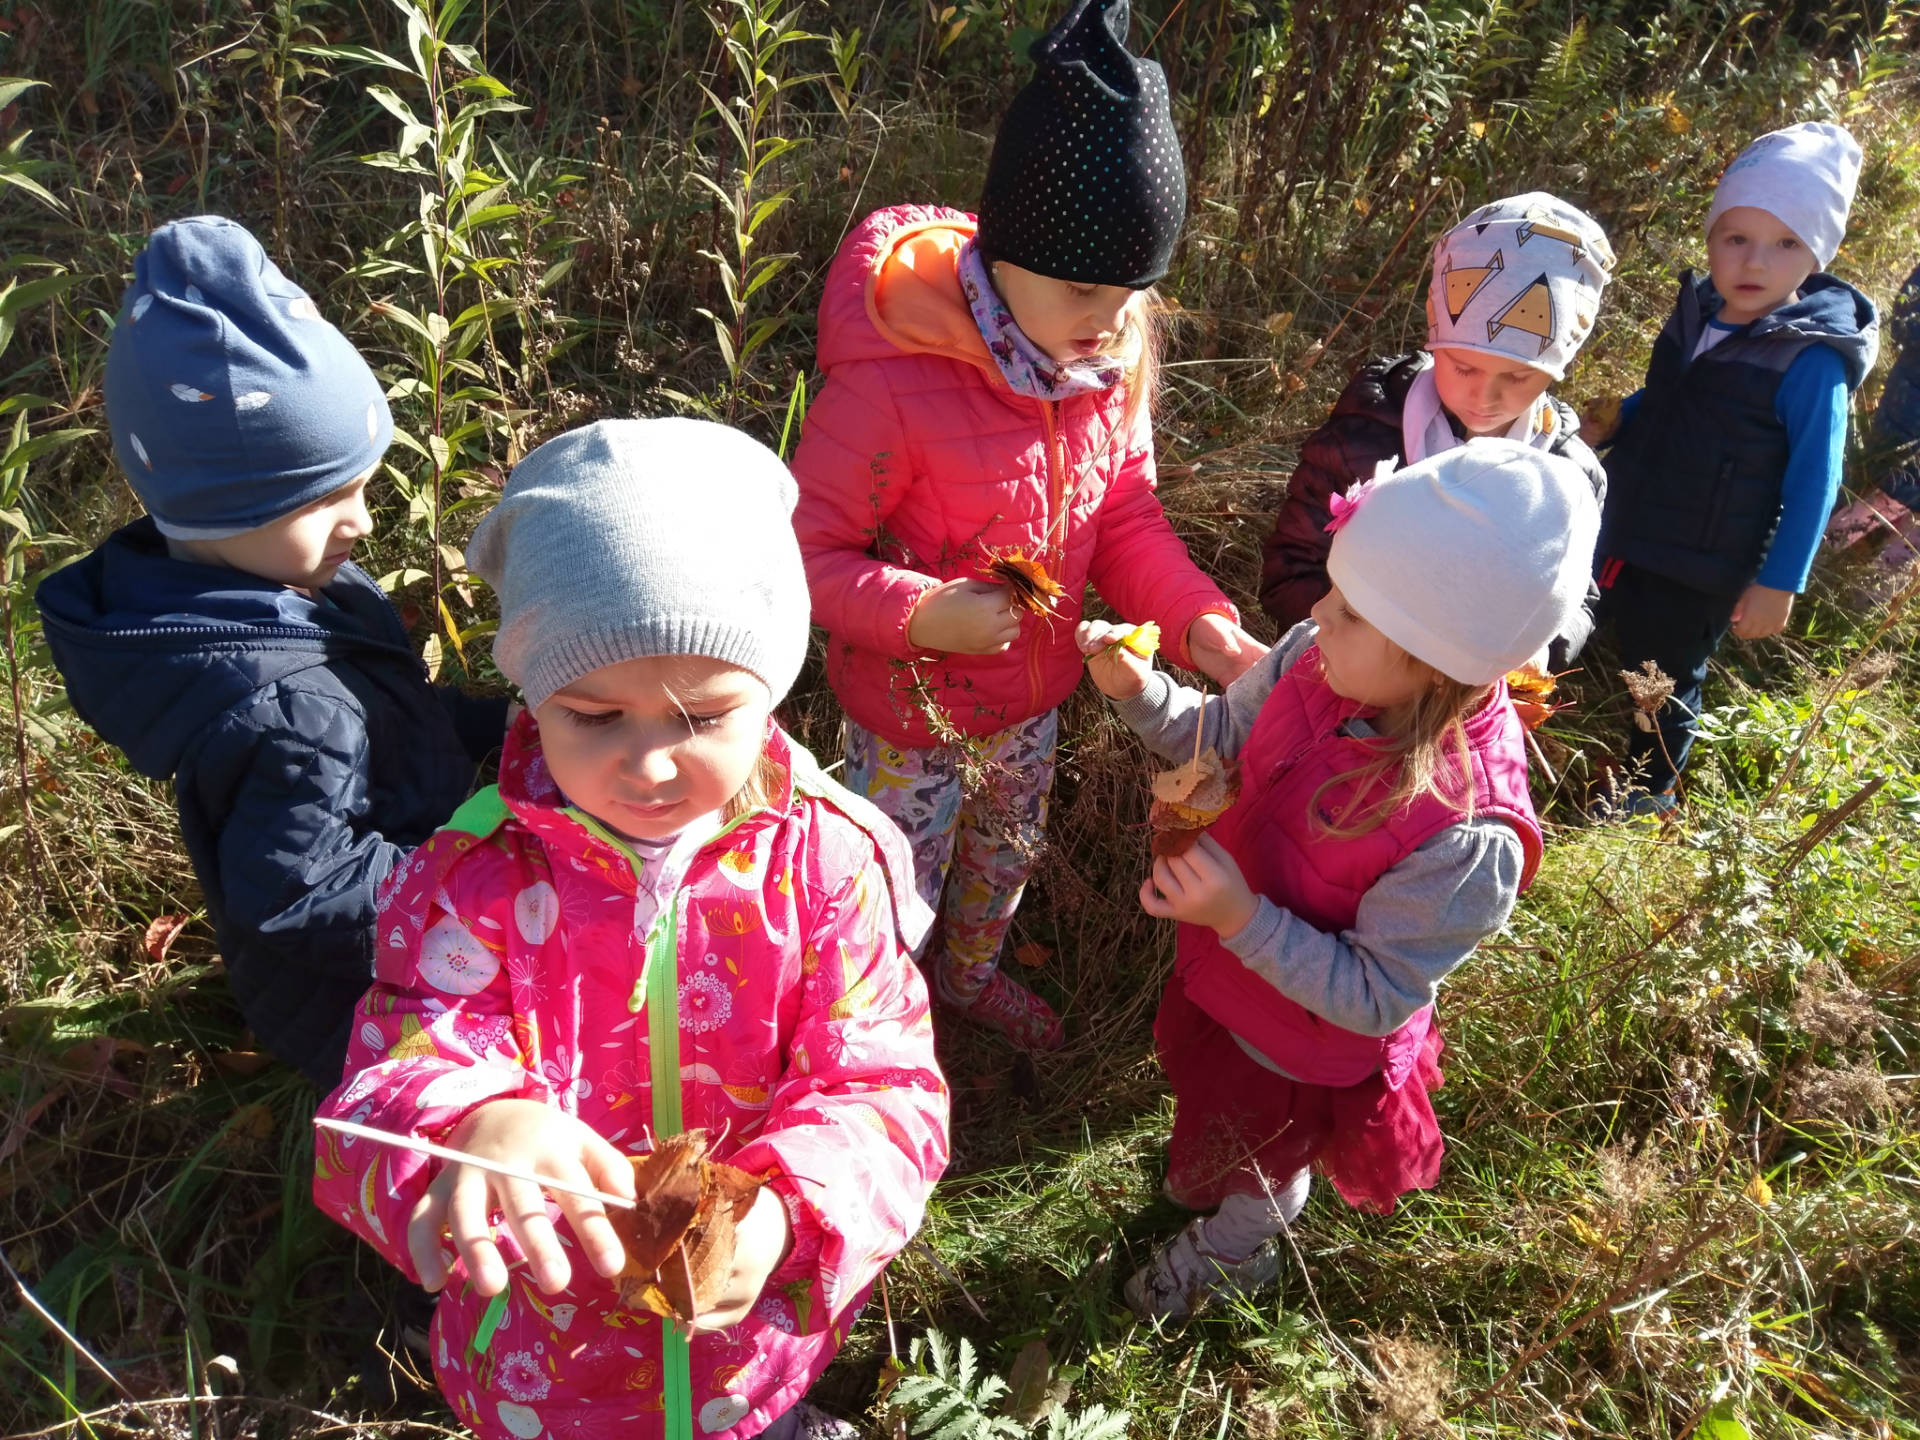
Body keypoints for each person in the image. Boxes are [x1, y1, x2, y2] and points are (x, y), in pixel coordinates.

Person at [314, 419, 949, 1440]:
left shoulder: (826, 865)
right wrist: (469, 1127)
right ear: (532, 696)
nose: (650, 764)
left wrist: (790, 1211)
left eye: (701, 717)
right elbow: (386, 1076)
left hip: (747, 1347)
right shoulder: (475, 876)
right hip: (540, 1368)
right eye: (594, 716)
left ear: (773, 689)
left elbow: (880, 1083)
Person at [790, 0, 1264, 1051]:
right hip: (909, 715)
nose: (1113, 315)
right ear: (1003, 258)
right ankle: (875, 1029)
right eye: (1088, 286)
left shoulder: (1106, 363)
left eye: (1136, 290)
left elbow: (1126, 514)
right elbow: (804, 557)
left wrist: (1200, 626)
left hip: (1034, 704)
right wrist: (923, 616)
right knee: (888, 881)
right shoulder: (894, 385)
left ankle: (970, 978)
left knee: (1004, 854)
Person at [1079, 440, 1598, 1320]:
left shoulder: (1466, 835)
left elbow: (1375, 993)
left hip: (1299, 1044)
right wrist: (1140, 693)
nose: (1319, 612)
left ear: (1436, 658)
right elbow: (1219, 741)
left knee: (1266, 1155)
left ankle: (1239, 1249)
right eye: (1334, 587)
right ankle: (1217, 1185)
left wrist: (1240, 917)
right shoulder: (1312, 660)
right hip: (1228, 971)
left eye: (1352, 610)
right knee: (1217, 1109)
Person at [35, 216, 506, 1087]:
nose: (361, 521)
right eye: (327, 499)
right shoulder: (286, 707)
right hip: (355, 1003)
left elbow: (388, 711)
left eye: (362, 484)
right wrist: (480, 883)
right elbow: (300, 893)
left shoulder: (290, 589)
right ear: (221, 513)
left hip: (410, 907)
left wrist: (496, 725)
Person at [1589, 123, 1879, 815]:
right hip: (1631, 520)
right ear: (1713, 240)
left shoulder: (1809, 361)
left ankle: (1647, 790)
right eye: (1736, 237)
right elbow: (1671, 397)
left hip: (1703, 560)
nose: (1755, 262)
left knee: (1661, 676)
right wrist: (1617, 420)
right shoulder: (1700, 314)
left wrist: (1779, 581)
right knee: (1597, 627)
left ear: (1817, 254)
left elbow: (1814, 477)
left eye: (1785, 244)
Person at [1259, 191, 1613, 668]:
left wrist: (1537, 658)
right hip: (1341, 678)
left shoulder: (1568, 474)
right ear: (1434, 337)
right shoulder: (1368, 431)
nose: (1485, 398)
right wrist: (1349, 650)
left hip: (1464, 709)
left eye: (1518, 376)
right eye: (1463, 367)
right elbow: (1293, 565)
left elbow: (1575, 601)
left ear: (1559, 368)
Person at [1824, 259, 1920, 600]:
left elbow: (1907, 319)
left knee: (1898, 509)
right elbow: (1909, 320)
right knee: (1890, 496)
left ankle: (1860, 599)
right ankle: (1817, 567)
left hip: (1907, 412)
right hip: (1909, 425)